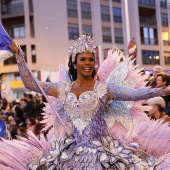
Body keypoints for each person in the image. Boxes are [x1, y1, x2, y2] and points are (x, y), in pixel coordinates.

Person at [1, 34, 170, 169]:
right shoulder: (62, 88)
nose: (87, 63)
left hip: (101, 153)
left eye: (91, 59)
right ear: (75, 63)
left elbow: (134, 94)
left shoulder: (105, 88)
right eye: (83, 59)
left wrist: (162, 91)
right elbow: (30, 83)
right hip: (68, 154)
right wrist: (19, 55)